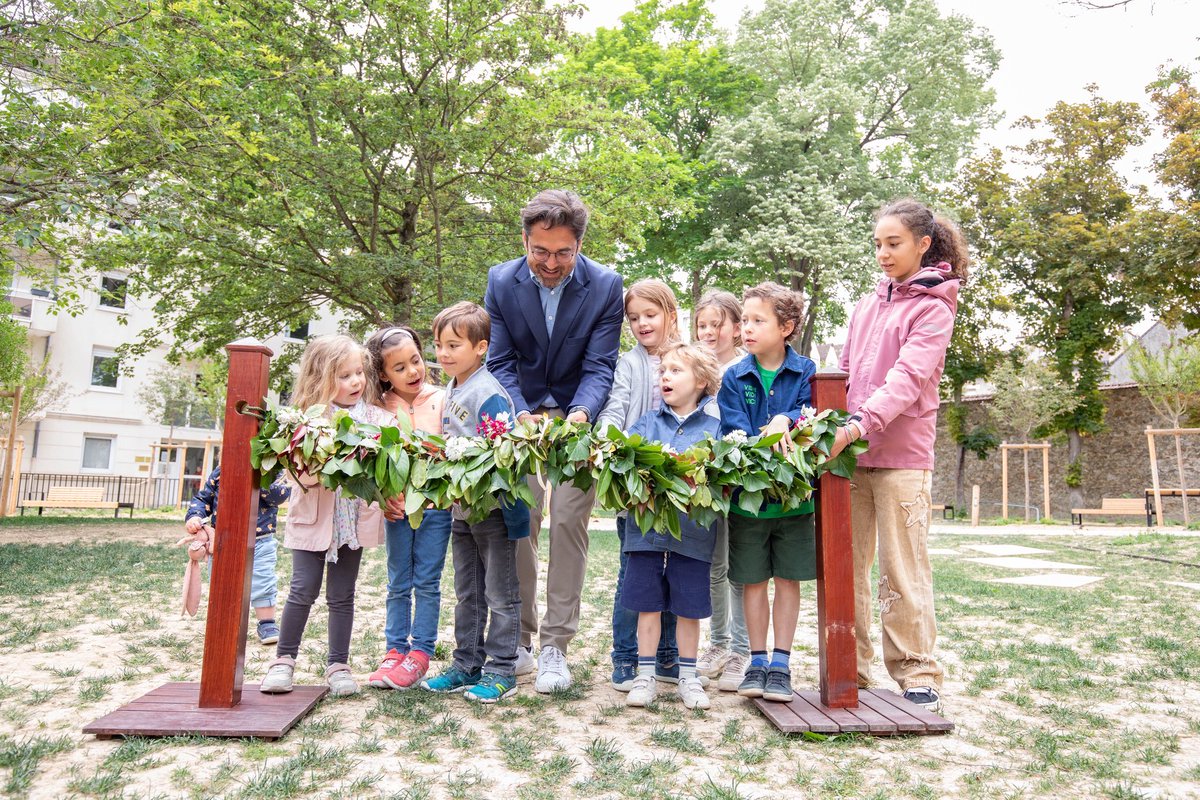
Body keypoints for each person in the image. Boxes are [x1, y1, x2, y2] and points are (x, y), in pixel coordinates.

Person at [830, 199, 968, 715]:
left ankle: (917, 672)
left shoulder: (933, 308)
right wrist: (828, 423)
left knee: (901, 568)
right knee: (846, 567)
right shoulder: (867, 305)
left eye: (894, 244)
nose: (883, 254)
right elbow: (844, 373)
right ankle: (850, 667)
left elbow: (907, 380)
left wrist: (857, 425)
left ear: (922, 244)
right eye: (878, 245)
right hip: (851, 456)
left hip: (902, 458)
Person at [484, 189, 623, 692]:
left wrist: (581, 413)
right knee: (520, 520)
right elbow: (499, 360)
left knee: (568, 521)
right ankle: (520, 639)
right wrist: (520, 413)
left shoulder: (606, 285)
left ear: (579, 245)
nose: (550, 263)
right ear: (524, 240)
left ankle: (555, 647)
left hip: (576, 417)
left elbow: (600, 364)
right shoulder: (501, 281)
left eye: (563, 252)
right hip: (518, 415)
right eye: (539, 251)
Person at [259, 334, 391, 697]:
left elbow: (385, 464)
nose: (356, 381)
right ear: (321, 378)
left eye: (359, 373)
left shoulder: (376, 419)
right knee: (302, 589)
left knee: (342, 594)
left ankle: (338, 665)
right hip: (313, 520)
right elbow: (299, 476)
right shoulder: (305, 422)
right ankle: (283, 661)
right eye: (344, 376)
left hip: (351, 523)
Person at [419, 302, 529, 703]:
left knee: (500, 594)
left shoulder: (488, 393)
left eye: (453, 345)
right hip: (462, 510)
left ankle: (502, 669)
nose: (443, 353)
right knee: (468, 591)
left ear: (481, 347)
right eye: (439, 345)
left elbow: (502, 454)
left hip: (494, 511)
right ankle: (466, 664)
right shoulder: (453, 386)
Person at [716, 282, 817, 703]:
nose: (747, 328)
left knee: (788, 580)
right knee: (753, 581)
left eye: (759, 320)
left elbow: (813, 415)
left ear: (786, 327)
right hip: (748, 503)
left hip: (795, 503)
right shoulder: (734, 376)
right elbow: (733, 431)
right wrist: (768, 434)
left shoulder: (807, 371)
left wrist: (786, 419)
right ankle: (756, 662)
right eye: (745, 320)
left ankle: (780, 664)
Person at [621, 343, 723, 711]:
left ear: (701, 381)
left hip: (693, 535)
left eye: (676, 370)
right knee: (647, 605)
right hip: (645, 533)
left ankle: (688, 676)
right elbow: (625, 465)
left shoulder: (716, 430)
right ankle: (645, 675)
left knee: (689, 607)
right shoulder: (646, 424)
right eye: (663, 370)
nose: (665, 376)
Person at [595, 279, 684, 692]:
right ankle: (626, 657)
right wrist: (607, 439)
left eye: (651, 314)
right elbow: (615, 405)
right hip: (636, 484)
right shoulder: (628, 363)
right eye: (634, 318)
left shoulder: (687, 357)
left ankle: (667, 655)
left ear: (670, 314)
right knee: (634, 572)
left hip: (678, 482)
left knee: (674, 571)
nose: (642, 324)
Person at [364, 325, 452, 691]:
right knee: (398, 582)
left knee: (427, 582)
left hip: (436, 507)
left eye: (415, 360)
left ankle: (421, 652)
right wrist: (385, 496)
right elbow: (372, 462)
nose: (412, 371)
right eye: (399, 367)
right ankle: (395, 650)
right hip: (397, 509)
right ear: (384, 374)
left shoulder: (443, 398)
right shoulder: (377, 407)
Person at [692, 289, 750, 691]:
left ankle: (741, 650)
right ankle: (718, 642)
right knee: (714, 565)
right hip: (708, 482)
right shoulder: (696, 369)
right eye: (702, 325)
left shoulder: (744, 369)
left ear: (736, 327)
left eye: (717, 324)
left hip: (739, 480)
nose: (709, 332)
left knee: (739, 568)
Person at [183, 466, 290, 644]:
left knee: (263, 580)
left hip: (260, 540)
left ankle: (266, 622)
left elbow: (279, 496)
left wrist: (261, 476)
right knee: (221, 583)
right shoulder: (222, 471)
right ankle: (225, 622)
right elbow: (203, 498)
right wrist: (195, 516)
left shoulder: (272, 470)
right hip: (223, 540)